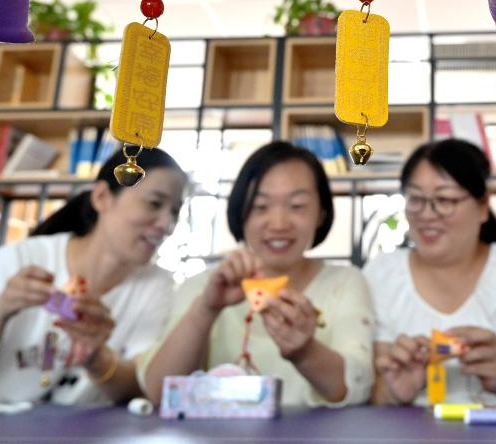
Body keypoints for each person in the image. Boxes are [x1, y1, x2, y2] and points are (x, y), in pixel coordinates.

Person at [0, 147, 187, 405]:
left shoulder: (157, 285)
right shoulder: (21, 259)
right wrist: (2, 307)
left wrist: (96, 357)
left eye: (175, 211)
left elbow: (140, 390)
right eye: (154, 203)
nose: (167, 224)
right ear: (102, 197)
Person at [140, 141, 374, 407]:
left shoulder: (344, 283)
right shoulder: (202, 288)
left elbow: (359, 386)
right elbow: (159, 392)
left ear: (321, 213)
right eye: (261, 206)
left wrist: (304, 351)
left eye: (297, 206)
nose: (278, 224)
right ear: (241, 211)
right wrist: (206, 310)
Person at [367, 139, 496, 407]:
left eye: (445, 200)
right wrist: (393, 391)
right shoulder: (382, 275)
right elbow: (358, 390)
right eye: (416, 199)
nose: (427, 214)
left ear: (482, 207)